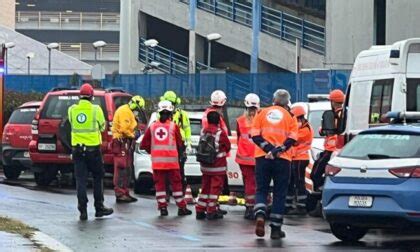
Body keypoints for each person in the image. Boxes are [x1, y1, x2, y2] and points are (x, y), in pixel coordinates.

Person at [251, 89, 298, 239]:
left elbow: (255, 135)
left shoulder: (262, 113)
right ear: (287, 102)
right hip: (283, 160)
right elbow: (292, 139)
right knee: (280, 193)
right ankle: (276, 229)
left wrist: (268, 149)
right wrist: (278, 150)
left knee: (261, 190)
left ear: (274, 99)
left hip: (262, 158)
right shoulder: (291, 117)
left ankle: (260, 214)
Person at [68, 83, 113, 221]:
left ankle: (83, 210)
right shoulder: (96, 110)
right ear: (92, 96)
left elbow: (70, 123)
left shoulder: (72, 110)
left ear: (79, 96)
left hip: (77, 150)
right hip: (93, 150)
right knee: (98, 177)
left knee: (80, 179)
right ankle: (99, 208)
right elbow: (102, 126)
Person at [140, 101, 192, 216]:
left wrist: (153, 152)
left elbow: (143, 145)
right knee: (177, 185)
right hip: (172, 163)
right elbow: (180, 144)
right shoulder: (174, 127)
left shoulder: (152, 127)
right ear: (170, 114)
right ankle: (181, 208)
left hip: (157, 163)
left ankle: (163, 208)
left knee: (160, 186)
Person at [196, 111, 231, 220]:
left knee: (205, 188)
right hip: (217, 166)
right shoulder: (220, 133)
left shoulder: (203, 131)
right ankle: (211, 211)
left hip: (205, 166)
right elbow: (227, 146)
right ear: (219, 121)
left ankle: (200, 210)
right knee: (214, 190)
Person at [111, 95, 145, 203]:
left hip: (126, 143)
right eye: (137, 110)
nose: (137, 112)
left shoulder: (129, 112)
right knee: (121, 167)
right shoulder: (125, 112)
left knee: (127, 168)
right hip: (121, 142)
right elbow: (124, 129)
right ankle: (120, 193)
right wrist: (134, 135)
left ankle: (125, 192)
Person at [310, 89, 344, 192]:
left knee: (315, 174)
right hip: (338, 150)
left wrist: (323, 130)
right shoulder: (345, 114)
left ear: (333, 102)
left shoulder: (335, 115)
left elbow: (327, 131)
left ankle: (322, 190)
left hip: (330, 150)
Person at [160, 91, 192, 192]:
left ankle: (180, 190)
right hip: (165, 146)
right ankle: (167, 192)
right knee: (165, 170)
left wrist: (188, 143)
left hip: (179, 145)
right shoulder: (159, 115)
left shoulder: (182, 115)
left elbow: (187, 130)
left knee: (179, 170)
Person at [235, 93, 260, 220]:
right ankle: (259, 206)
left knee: (248, 183)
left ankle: (249, 207)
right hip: (258, 157)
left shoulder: (240, 121)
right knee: (259, 183)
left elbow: (239, 137)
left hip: (244, 158)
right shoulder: (262, 120)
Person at [286, 105, 314, 214]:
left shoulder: (305, 129)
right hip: (296, 158)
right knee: (291, 181)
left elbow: (293, 139)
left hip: (300, 159)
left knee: (299, 181)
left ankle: (301, 206)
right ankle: (288, 205)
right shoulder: (303, 127)